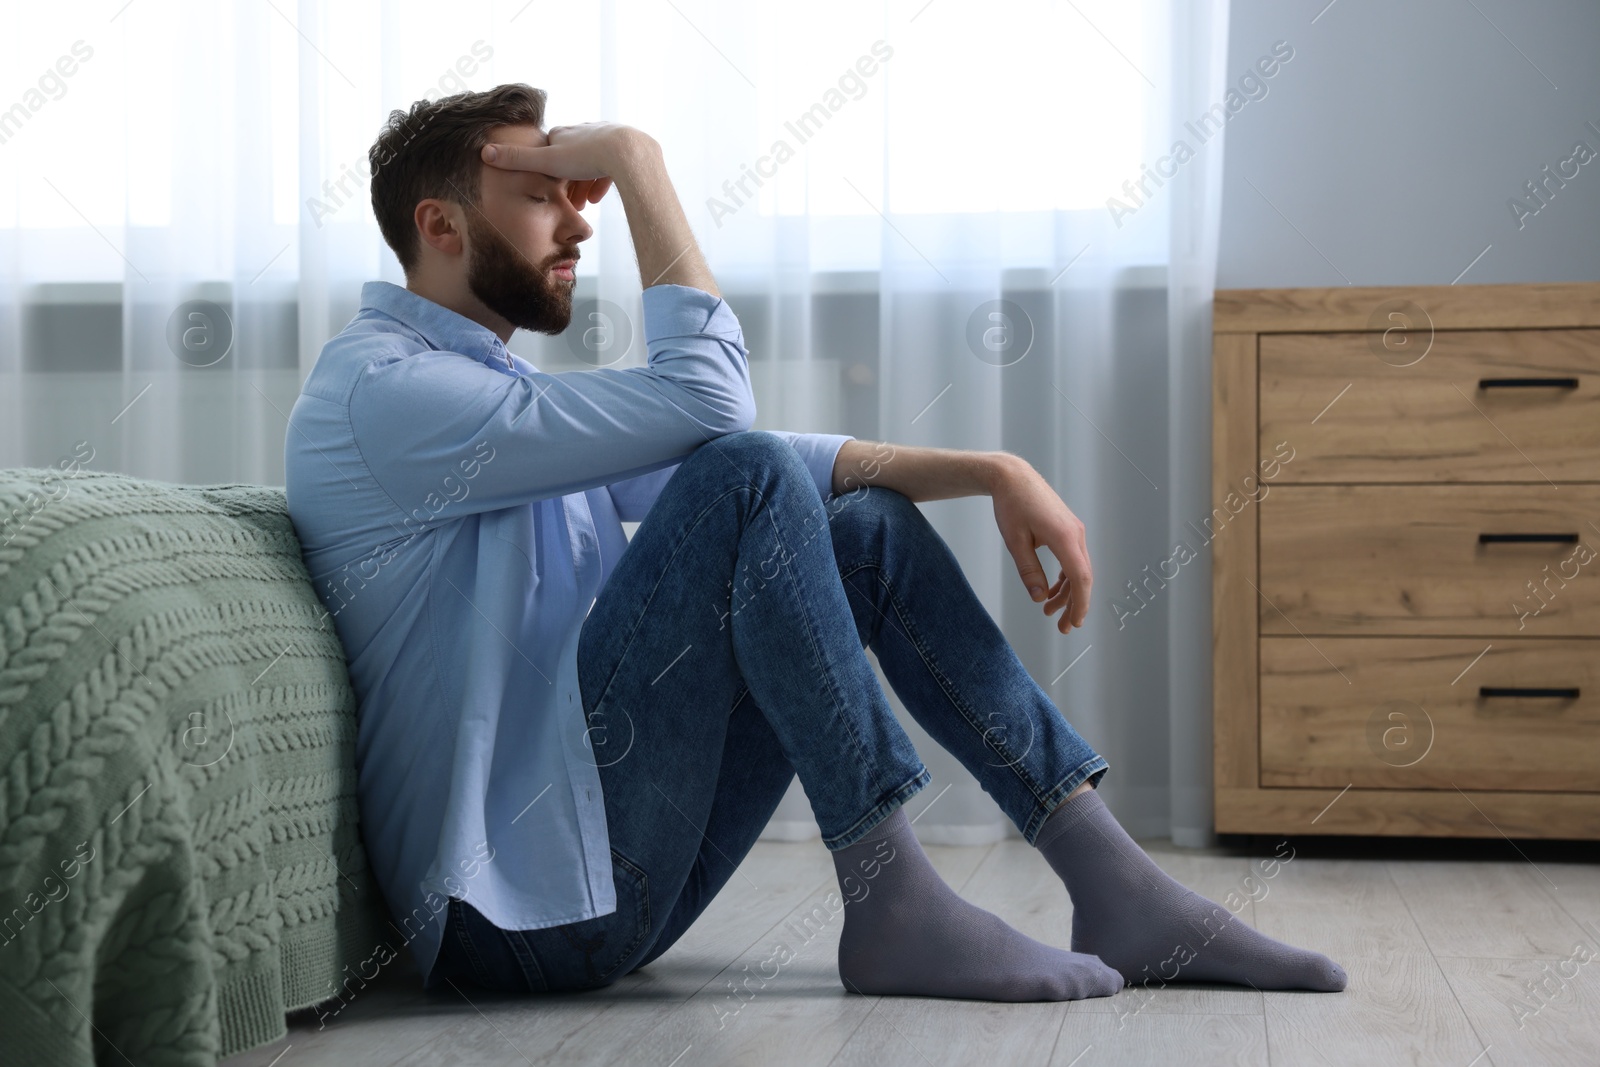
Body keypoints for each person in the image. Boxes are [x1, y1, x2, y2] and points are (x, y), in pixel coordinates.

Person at [283, 82, 1347, 1004]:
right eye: (543, 192)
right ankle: (894, 897)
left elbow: (753, 446)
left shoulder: (480, 393)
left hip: (607, 878)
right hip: (508, 918)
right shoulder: (389, 393)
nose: (578, 223)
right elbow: (718, 420)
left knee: (859, 525)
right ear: (442, 224)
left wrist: (991, 469)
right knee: (741, 476)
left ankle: (1112, 879)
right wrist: (640, 166)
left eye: (583, 190)